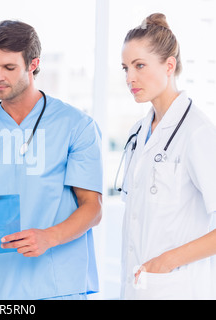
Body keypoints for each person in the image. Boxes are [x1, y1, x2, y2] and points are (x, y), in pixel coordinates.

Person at [0, 20, 103, 300]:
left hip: (56, 286)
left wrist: (50, 237)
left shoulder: (75, 126)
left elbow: (93, 208)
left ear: (33, 64)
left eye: (9, 68)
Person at [119, 13, 216, 299]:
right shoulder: (138, 132)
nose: (129, 78)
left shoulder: (198, 133)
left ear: (169, 65)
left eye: (139, 66)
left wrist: (167, 261)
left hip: (178, 288)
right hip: (137, 288)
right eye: (125, 68)